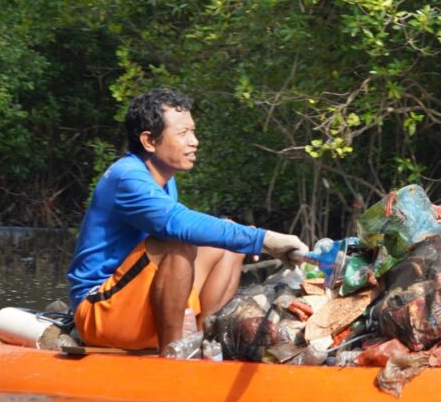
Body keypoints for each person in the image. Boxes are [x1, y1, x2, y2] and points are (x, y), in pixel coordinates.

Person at [67, 88, 308, 353]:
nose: (194, 142)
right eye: (183, 134)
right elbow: (177, 224)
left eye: (193, 132)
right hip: (98, 312)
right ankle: (173, 354)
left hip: (133, 303)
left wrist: (243, 236)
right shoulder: (127, 177)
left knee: (229, 237)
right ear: (149, 141)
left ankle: (204, 340)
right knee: (177, 243)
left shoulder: (163, 179)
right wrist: (265, 240)